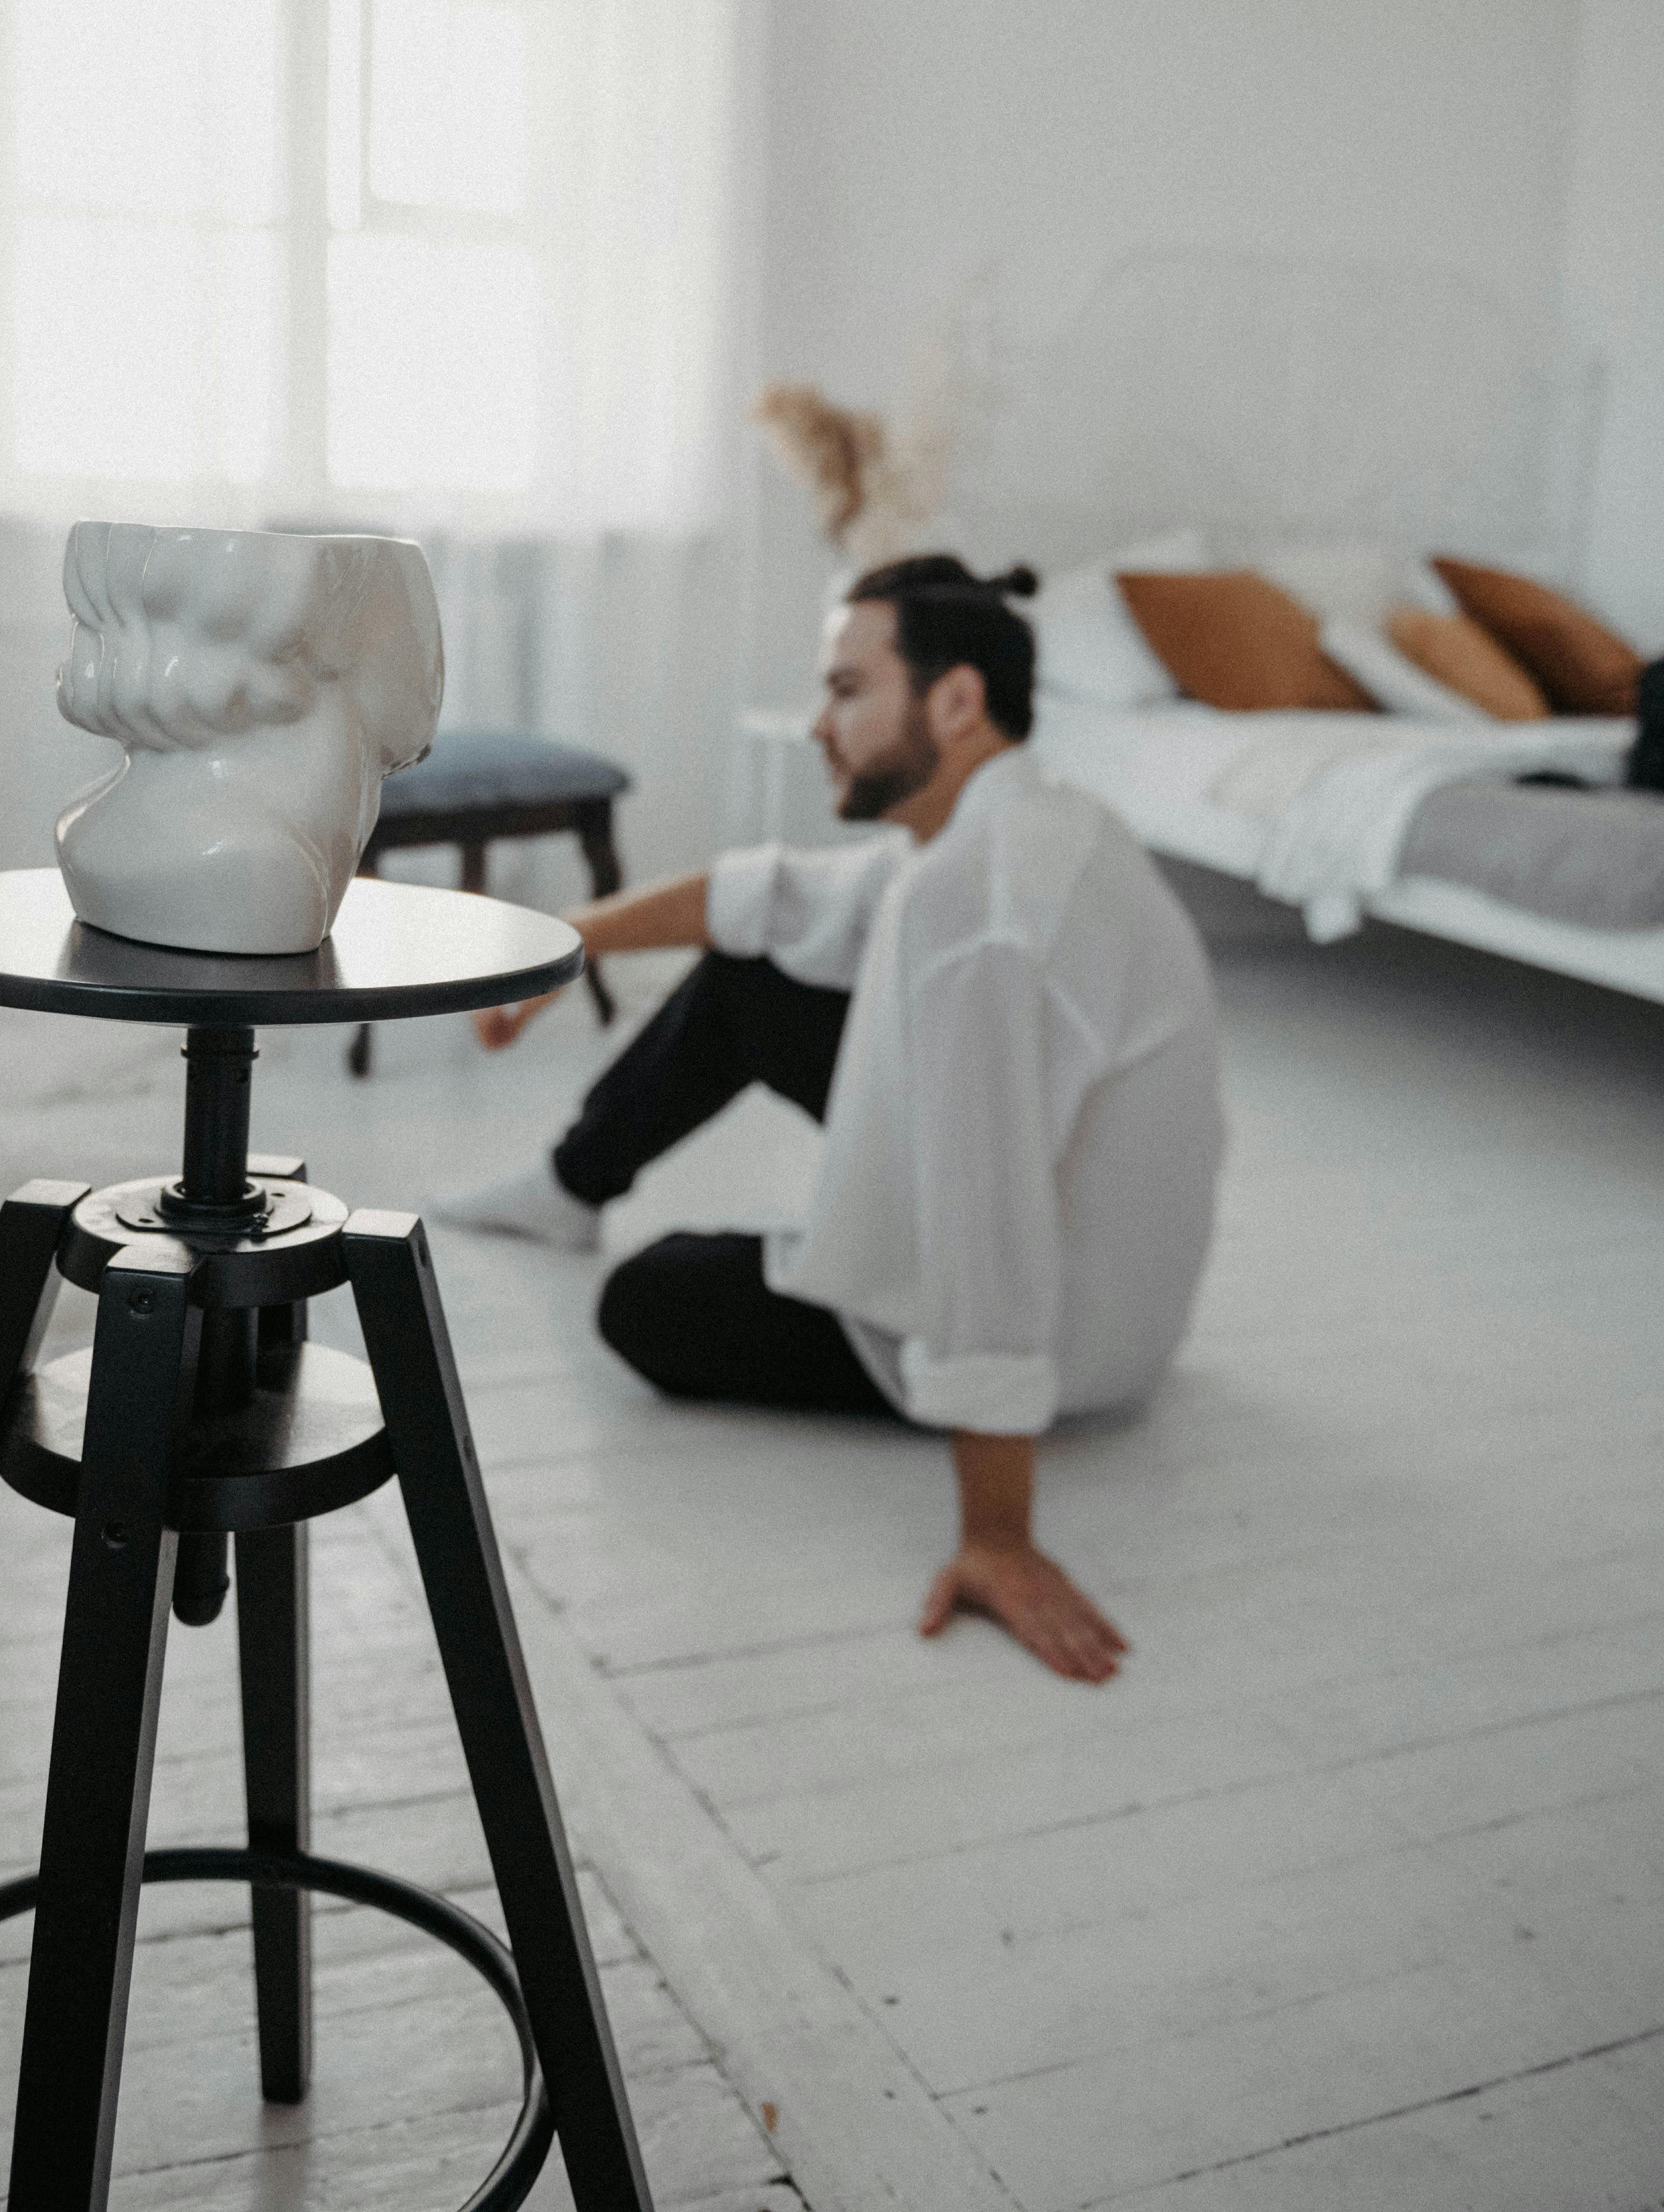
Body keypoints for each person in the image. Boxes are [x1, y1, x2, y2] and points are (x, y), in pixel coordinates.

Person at [433, 556, 1224, 1682]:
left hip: (1063, 1329)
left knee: (650, 1300)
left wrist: (996, 1532)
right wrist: (560, 947)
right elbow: (772, 894)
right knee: (756, 967)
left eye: (848, 689)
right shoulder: (1024, 824)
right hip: (1111, 1271)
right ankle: (568, 1188)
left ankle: (614, 1212)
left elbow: (986, 1215)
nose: (819, 723)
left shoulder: (975, 908)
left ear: (952, 701)